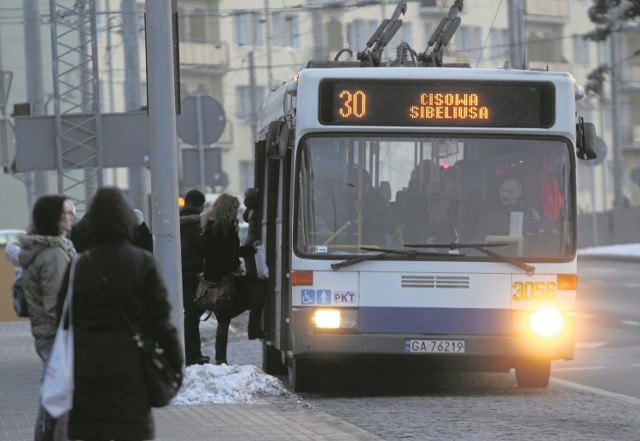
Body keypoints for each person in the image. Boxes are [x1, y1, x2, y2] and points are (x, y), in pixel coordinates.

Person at [56, 187, 183, 441]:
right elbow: (161, 322)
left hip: (85, 369)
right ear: (127, 221)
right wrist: (175, 362)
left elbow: (61, 319)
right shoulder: (143, 262)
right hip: (131, 368)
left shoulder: (78, 265)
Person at [17, 195, 76, 441]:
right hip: (55, 334)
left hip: (44, 333)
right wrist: (69, 335)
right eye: (66, 212)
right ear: (55, 219)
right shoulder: (54, 255)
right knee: (55, 398)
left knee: (52, 394)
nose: (71, 216)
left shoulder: (39, 250)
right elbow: (58, 304)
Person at [201, 194, 266, 365]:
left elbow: (232, 251)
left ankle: (222, 358)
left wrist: (249, 250)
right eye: (235, 208)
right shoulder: (214, 228)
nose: (237, 212)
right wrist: (233, 265)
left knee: (225, 316)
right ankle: (252, 329)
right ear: (228, 209)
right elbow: (213, 256)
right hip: (220, 279)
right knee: (258, 289)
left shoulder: (223, 226)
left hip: (226, 276)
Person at [179, 189, 209, 366]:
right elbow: (203, 247)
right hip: (192, 273)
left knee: (186, 314)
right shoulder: (197, 224)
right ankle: (192, 354)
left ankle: (186, 351)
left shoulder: (173, 221)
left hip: (177, 271)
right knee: (192, 315)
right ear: (200, 205)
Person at [477, 176, 540, 240]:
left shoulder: (529, 212)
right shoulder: (488, 213)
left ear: (519, 193)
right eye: (503, 190)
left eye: (509, 192)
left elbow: (538, 234)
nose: (505, 195)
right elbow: (480, 237)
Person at [242, 188, 261, 277]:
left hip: (249, 242)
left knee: (251, 270)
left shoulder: (251, 210)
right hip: (253, 242)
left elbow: (245, 218)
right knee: (253, 271)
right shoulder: (256, 210)